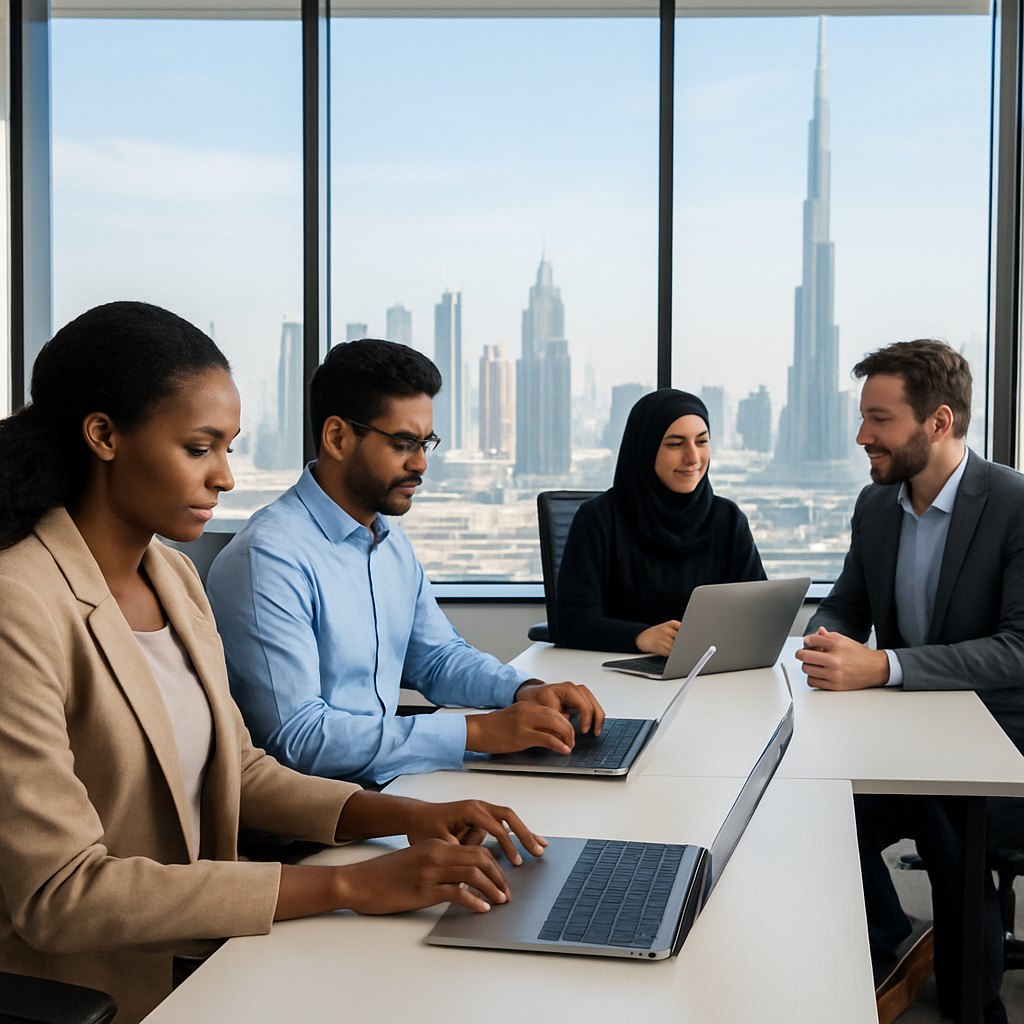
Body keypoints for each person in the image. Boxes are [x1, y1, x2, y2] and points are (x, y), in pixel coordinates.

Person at [0, 302, 549, 1024]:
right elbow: (61, 894)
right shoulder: (19, 604)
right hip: (106, 990)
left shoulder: (174, 578)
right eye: (199, 448)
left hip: (215, 952)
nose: (226, 478)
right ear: (103, 435)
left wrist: (408, 815)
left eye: (228, 448)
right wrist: (348, 886)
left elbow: (239, 770)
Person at [207, 339, 604, 787]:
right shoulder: (268, 559)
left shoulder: (389, 541)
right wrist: (475, 732)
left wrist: (524, 690)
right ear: (337, 438)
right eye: (403, 444)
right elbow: (299, 739)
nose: (421, 464)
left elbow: (435, 658)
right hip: (319, 812)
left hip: (389, 781)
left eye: (426, 443)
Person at [796, 339, 1024, 1024]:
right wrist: (828, 636)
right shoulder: (876, 506)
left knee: (944, 813)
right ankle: (891, 943)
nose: (862, 436)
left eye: (880, 419)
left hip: (1000, 741)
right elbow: (848, 604)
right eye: (863, 417)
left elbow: (1018, 648)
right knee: (813, 805)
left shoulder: (1014, 504)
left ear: (939, 421)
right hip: (906, 736)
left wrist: (884, 666)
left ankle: (969, 1002)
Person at [555, 388, 765, 654]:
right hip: (611, 670)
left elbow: (760, 613)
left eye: (702, 442)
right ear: (645, 448)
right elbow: (571, 622)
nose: (693, 458)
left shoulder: (728, 519)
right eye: (675, 444)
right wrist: (639, 637)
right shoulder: (598, 518)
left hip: (710, 668)